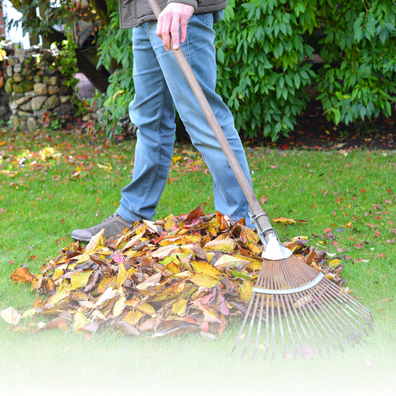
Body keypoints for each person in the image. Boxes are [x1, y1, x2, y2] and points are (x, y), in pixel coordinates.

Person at [71, 0, 255, 242]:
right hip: (145, 13)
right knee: (149, 119)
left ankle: (240, 223)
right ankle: (133, 213)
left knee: (204, 118)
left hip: (175, 10)